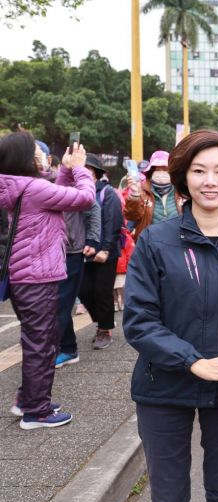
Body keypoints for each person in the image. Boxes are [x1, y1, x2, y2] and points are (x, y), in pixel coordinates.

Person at [123, 129, 218, 502]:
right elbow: (140, 321)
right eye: (199, 171)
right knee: (170, 499)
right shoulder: (156, 241)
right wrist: (193, 361)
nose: (211, 182)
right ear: (183, 178)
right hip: (163, 387)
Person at [0, 132, 95, 429]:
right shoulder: (33, 188)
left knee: (37, 340)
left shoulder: (19, 186)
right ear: (24, 158)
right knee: (42, 343)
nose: (41, 155)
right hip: (37, 276)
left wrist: (65, 170)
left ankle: (29, 399)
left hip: (24, 276)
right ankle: (36, 412)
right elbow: (84, 198)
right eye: (36, 152)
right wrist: (80, 168)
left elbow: (58, 196)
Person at [77, 154, 123, 350]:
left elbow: (112, 222)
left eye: (88, 169)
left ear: (96, 174)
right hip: (81, 250)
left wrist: (105, 248)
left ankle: (104, 329)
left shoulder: (107, 193)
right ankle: (100, 321)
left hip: (106, 251)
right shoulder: (73, 192)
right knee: (83, 290)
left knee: (102, 291)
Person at [54, 196, 101, 368]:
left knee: (60, 302)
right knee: (50, 303)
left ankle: (65, 349)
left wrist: (93, 240)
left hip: (71, 251)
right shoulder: (29, 181)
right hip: (42, 251)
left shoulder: (68, 182)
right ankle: (64, 347)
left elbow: (93, 207)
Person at [124, 149, 184, 240]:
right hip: (149, 246)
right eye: (157, 169)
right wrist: (136, 193)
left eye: (165, 169)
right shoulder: (142, 192)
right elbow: (131, 216)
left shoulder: (182, 193)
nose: (161, 173)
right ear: (151, 172)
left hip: (178, 245)